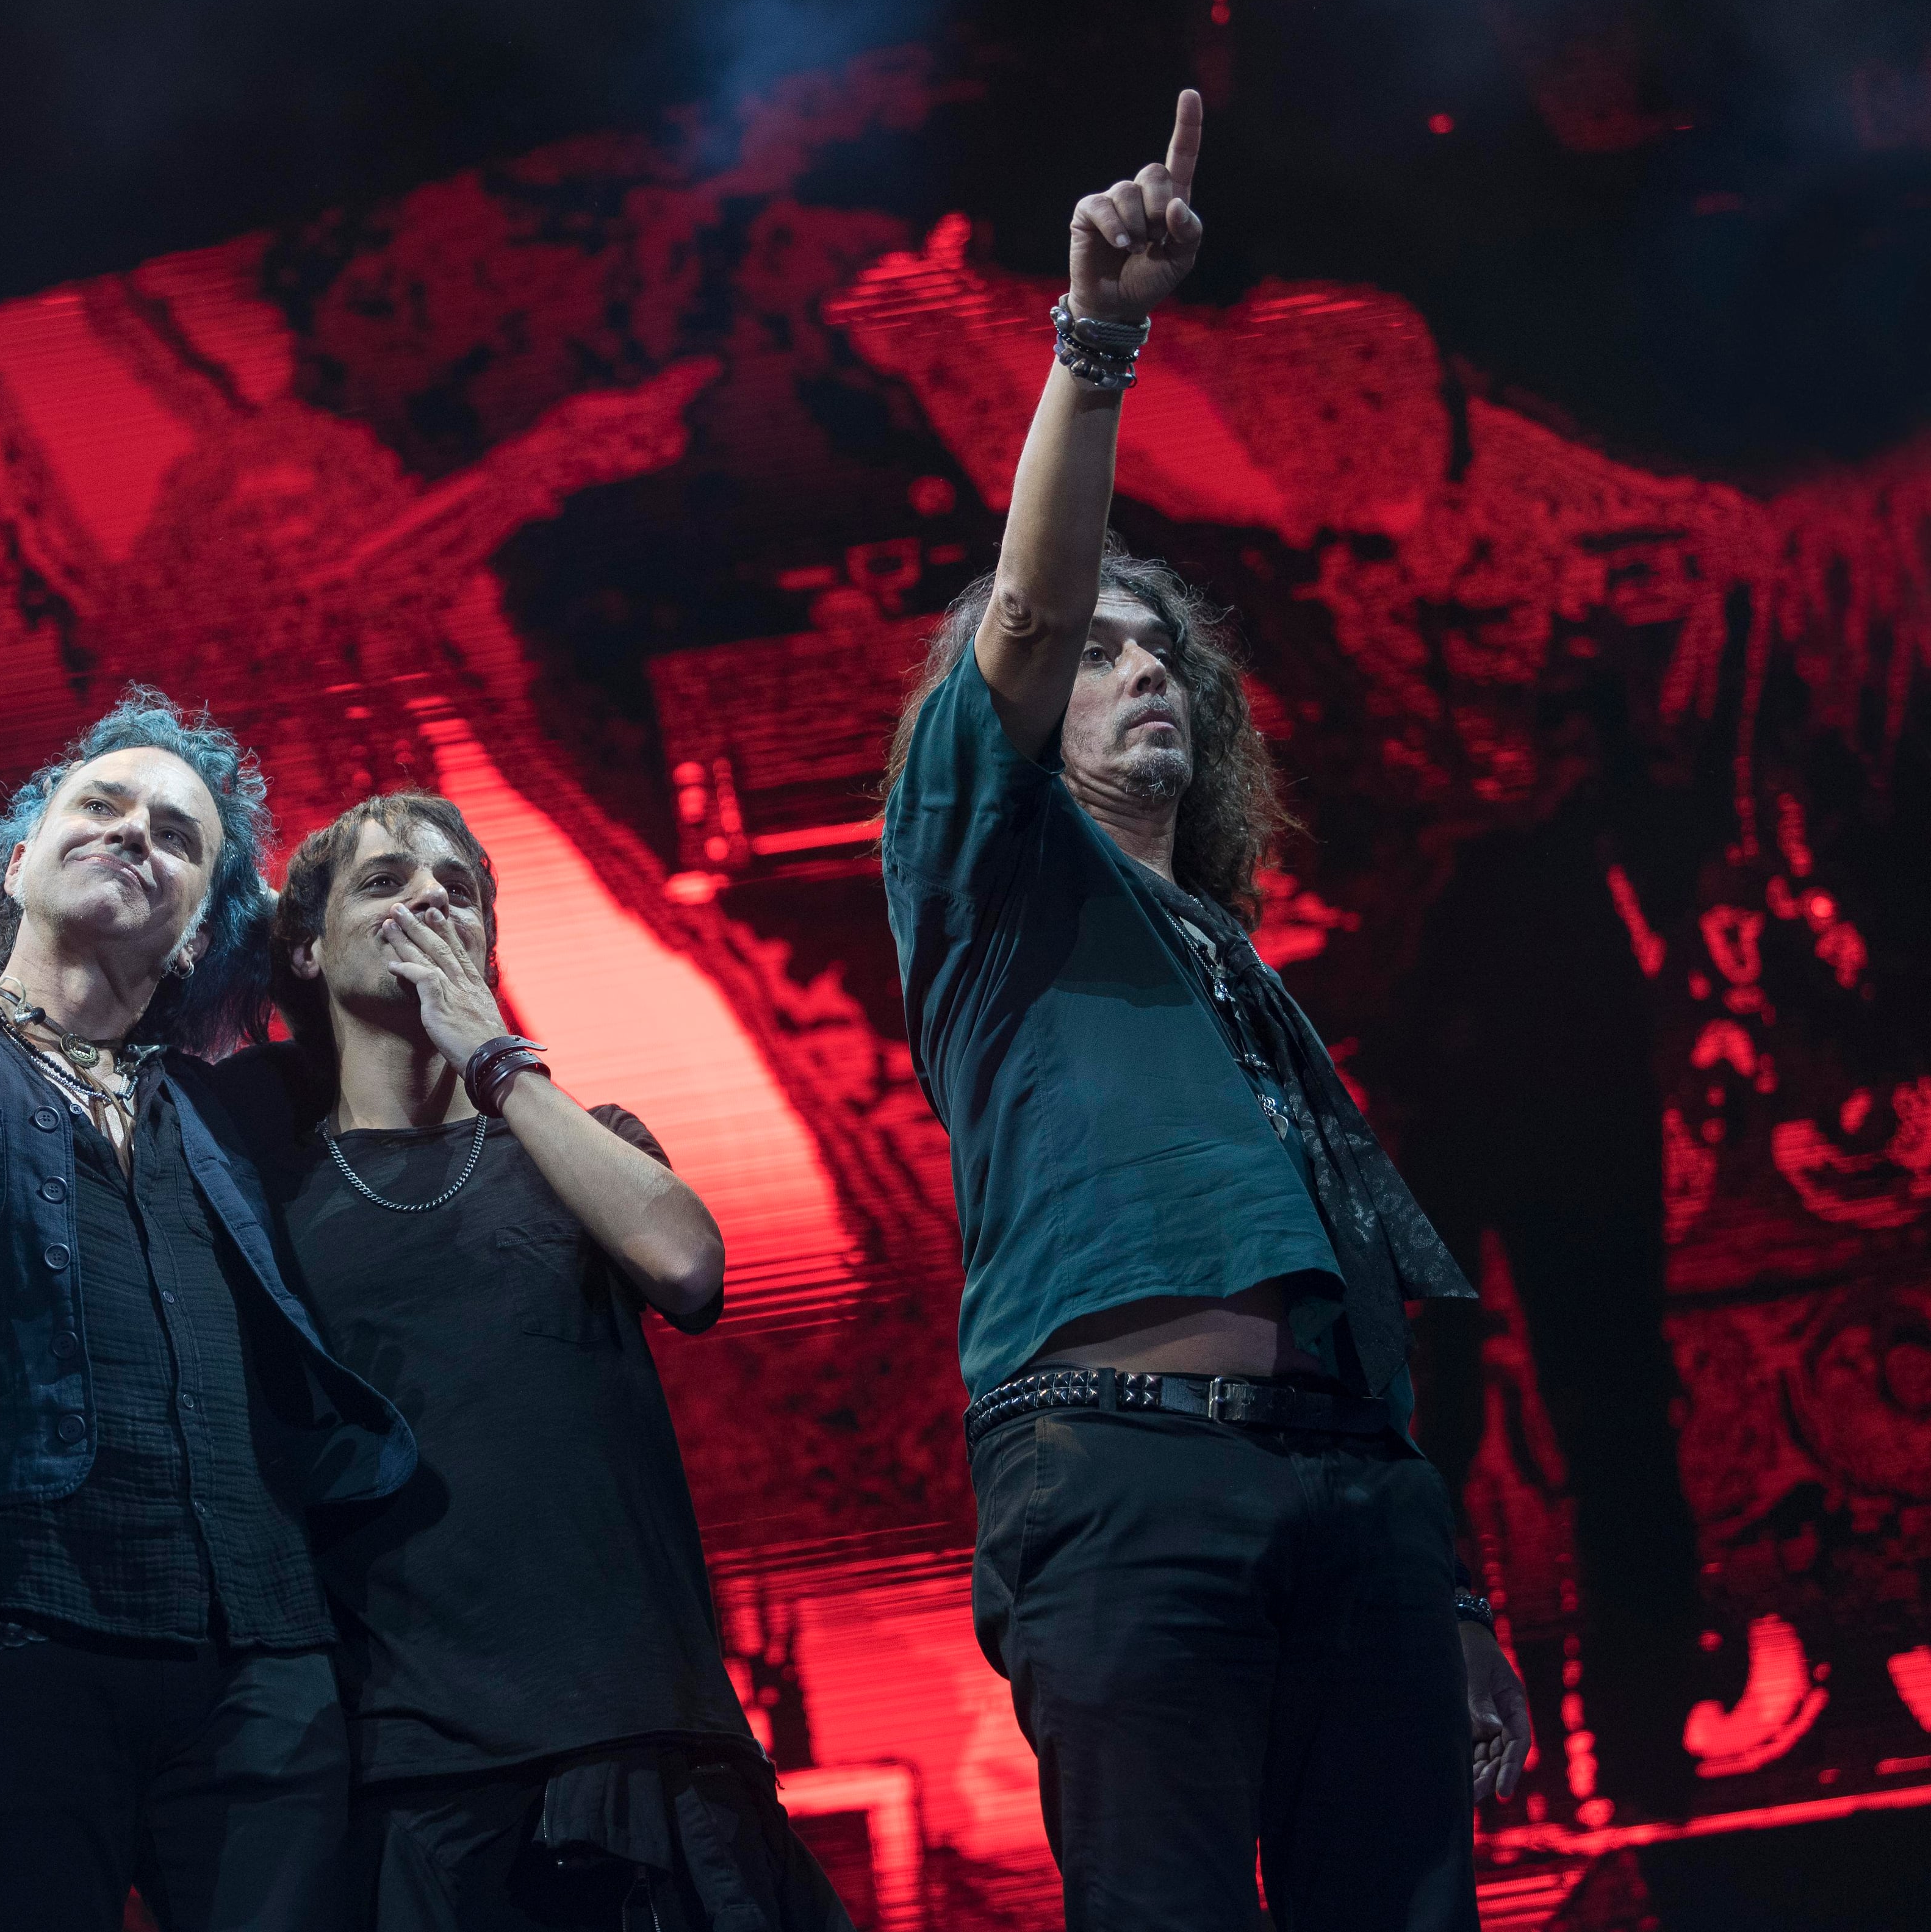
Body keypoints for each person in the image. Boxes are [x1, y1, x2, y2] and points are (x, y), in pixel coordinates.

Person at [880, 94, 1531, 1928]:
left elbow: (1360, 1296)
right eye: (1103, 649)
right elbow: (1025, 596)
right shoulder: (985, 879)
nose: (1139, 662)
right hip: (1129, 1470)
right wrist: (1098, 341)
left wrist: (1451, 1586)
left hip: (1360, 1504)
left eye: (1166, 651)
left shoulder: (1246, 978)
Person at [0, 690, 417, 1931]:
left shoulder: (241, 1111)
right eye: (103, 803)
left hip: (262, 1655)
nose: (136, 832)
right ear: (19, 857)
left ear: (196, 934)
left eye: (177, 835)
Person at [240, 792, 853, 1932]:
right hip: (414, 1766)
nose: (427, 897)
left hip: (639, 1737)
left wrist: (496, 1059)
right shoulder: (268, 1199)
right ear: (306, 946)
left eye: (456, 888)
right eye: (384, 882)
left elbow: (686, 1264)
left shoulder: (581, 1139)